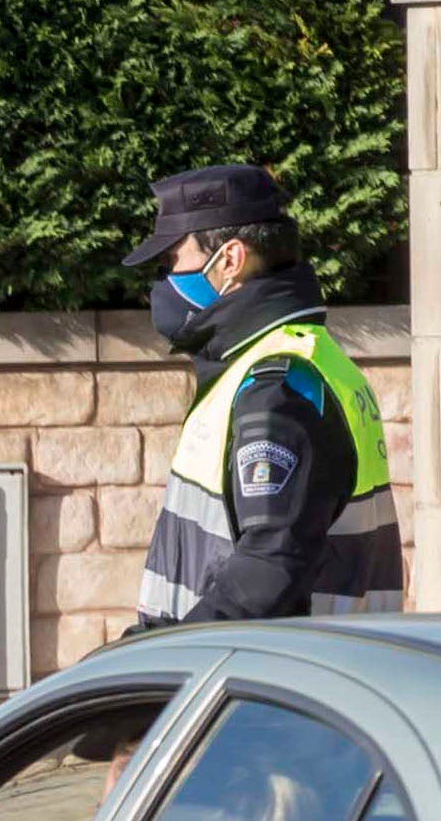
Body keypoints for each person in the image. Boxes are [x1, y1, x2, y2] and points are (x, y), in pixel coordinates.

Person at [125, 164, 402, 630]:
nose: (166, 278)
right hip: (293, 676)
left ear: (230, 260)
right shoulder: (291, 361)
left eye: (174, 259)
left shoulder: (276, 387)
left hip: (272, 687)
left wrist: (162, 654)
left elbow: (269, 568)